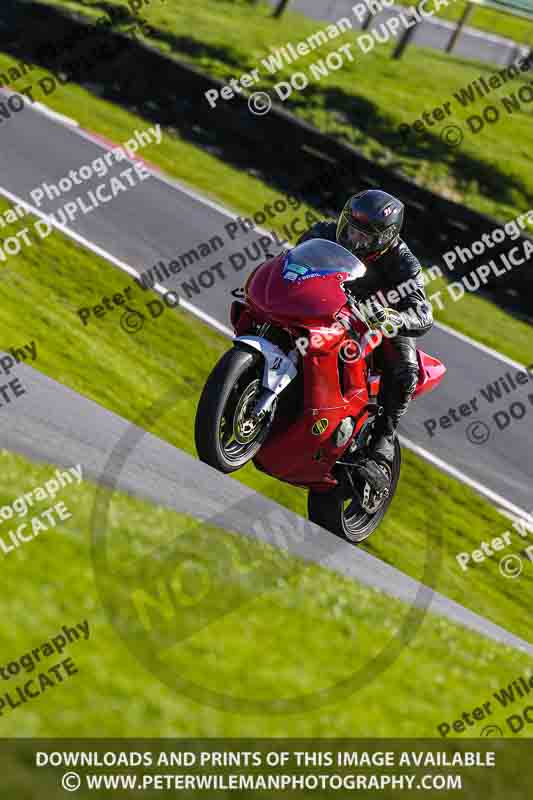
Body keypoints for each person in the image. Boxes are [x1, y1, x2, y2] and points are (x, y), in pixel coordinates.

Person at [296, 189, 433, 485]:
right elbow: (292, 262)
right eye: (351, 229)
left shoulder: (403, 262)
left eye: (365, 237)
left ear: (385, 238)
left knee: (405, 368)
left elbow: (423, 313)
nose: (354, 240)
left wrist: (396, 318)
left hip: (376, 322)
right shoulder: (323, 233)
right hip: (328, 305)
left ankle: (382, 442)